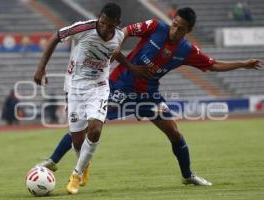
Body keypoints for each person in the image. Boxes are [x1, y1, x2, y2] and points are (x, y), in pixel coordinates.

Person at [37, 7, 262, 189]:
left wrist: (242, 64)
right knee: (89, 127)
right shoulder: (155, 27)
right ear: (171, 21)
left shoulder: (186, 50)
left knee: (174, 131)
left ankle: (188, 175)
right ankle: (54, 160)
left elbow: (213, 65)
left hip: (148, 95)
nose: (175, 30)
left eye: (181, 28)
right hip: (120, 86)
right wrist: (117, 52)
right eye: (174, 24)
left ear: (188, 30)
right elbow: (124, 31)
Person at [34, 3, 127, 195]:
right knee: (77, 140)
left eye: (109, 25)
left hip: (99, 87)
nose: (104, 28)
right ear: (99, 17)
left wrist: (119, 67)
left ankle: (76, 175)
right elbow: (55, 37)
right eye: (102, 22)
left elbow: (114, 53)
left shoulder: (119, 35)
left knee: (94, 130)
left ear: (117, 24)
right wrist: (41, 68)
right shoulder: (83, 28)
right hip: (75, 87)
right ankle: (86, 163)